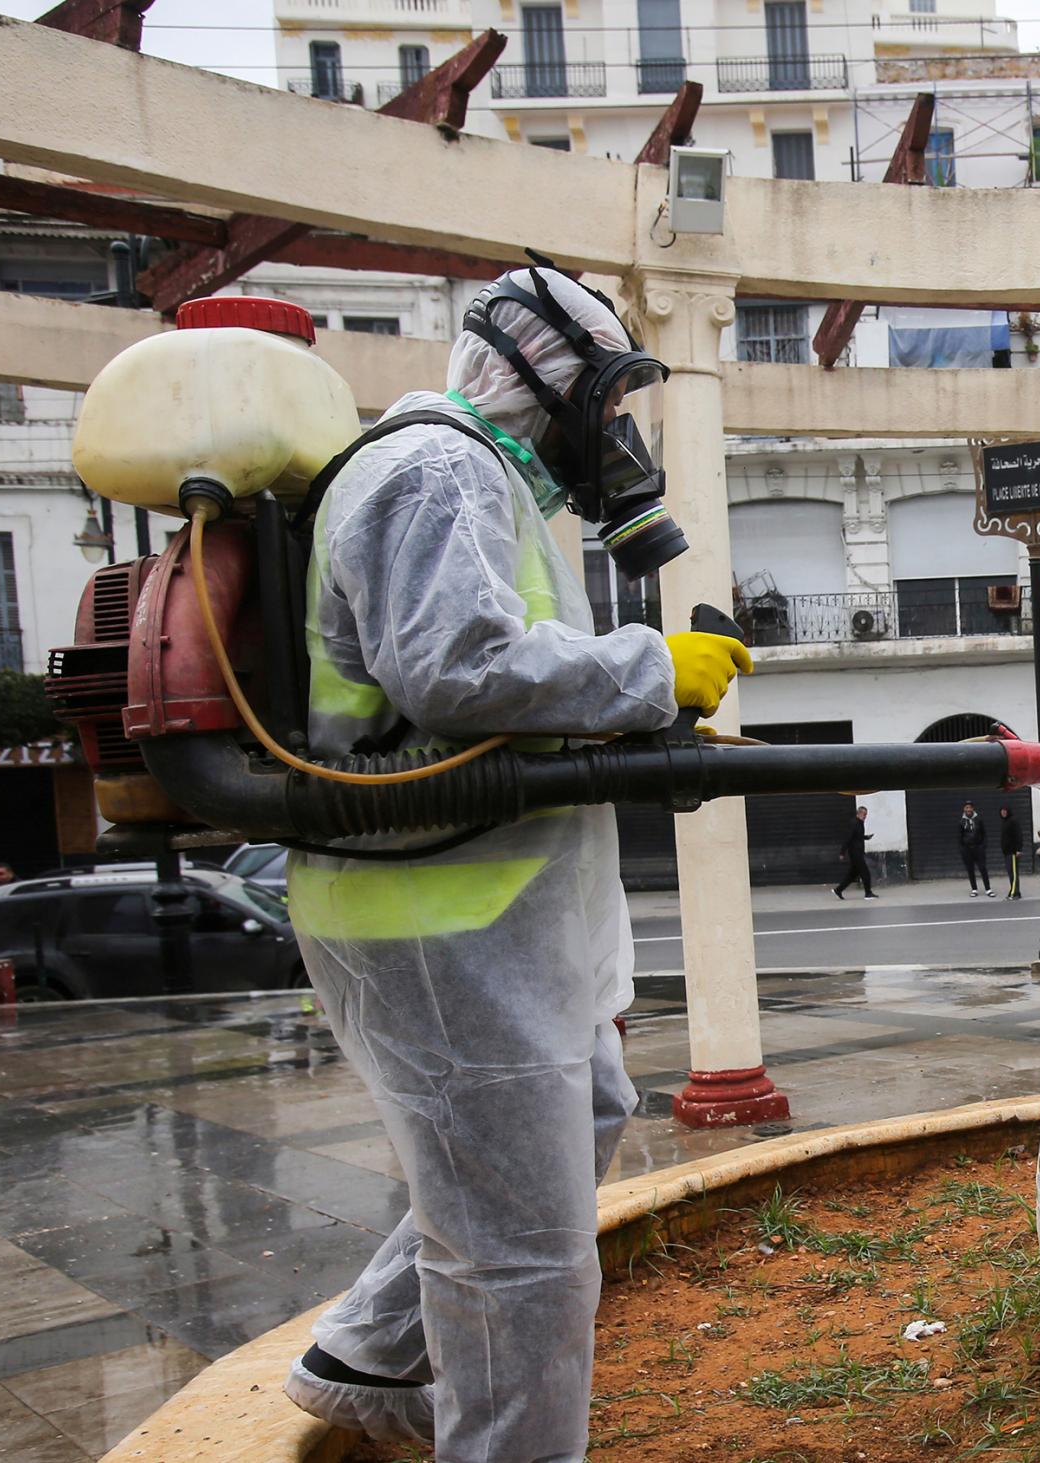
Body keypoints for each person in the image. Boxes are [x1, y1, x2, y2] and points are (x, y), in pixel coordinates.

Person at [277, 264, 751, 1460]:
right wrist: (652, 669)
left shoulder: (473, 478)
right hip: (440, 917)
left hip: (474, 903)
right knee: (522, 1260)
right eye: (608, 399)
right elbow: (455, 667)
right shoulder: (434, 468)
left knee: (582, 1111)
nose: (617, 432)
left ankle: (369, 1355)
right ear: (546, 381)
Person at [834, 806, 876, 900]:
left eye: (866, 814)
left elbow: (857, 836)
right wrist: (842, 852)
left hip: (858, 851)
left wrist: (866, 837)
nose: (865, 816)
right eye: (864, 814)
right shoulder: (854, 823)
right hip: (855, 852)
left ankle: (838, 890)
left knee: (852, 874)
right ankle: (868, 893)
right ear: (859, 813)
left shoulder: (859, 823)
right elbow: (848, 838)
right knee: (865, 873)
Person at [959, 802, 992, 896]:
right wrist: (962, 849)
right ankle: (974, 889)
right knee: (970, 869)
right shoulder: (961, 822)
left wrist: (983, 846)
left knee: (982, 868)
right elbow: (959, 837)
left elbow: (984, 833)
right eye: (966, 807)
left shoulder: (979, 820)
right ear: (964, 809)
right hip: (967, 850)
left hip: (978, 848)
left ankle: (988, 889)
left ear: (973, 809)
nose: (968, 809)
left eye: (970, 807)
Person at [999, 805, 1025, 900]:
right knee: (1011, 873)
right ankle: (1014, 891)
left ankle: (1014, 893)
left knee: (1013, 873)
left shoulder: (1013, 821)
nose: (1003, 813)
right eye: (1002, 811)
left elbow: (1019, 835)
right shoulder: (1004, 822)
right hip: (1007, 852)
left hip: (1013, 852)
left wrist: (1018, 849)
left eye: (1005, 811)